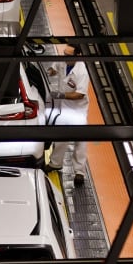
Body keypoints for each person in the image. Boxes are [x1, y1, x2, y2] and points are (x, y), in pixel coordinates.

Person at [43, 43, 90, 187]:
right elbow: (54, 70)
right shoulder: (62, 60)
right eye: (64, 54)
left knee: (80, 142)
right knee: (60, 137)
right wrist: (49, 71)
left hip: (78, 110)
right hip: (63, 107)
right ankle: (56, 163)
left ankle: (79, 172)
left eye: (68, 56)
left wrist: (60, 94)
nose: (65, 57)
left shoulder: (82, 71)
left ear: (78, 56)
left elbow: (79, 95)